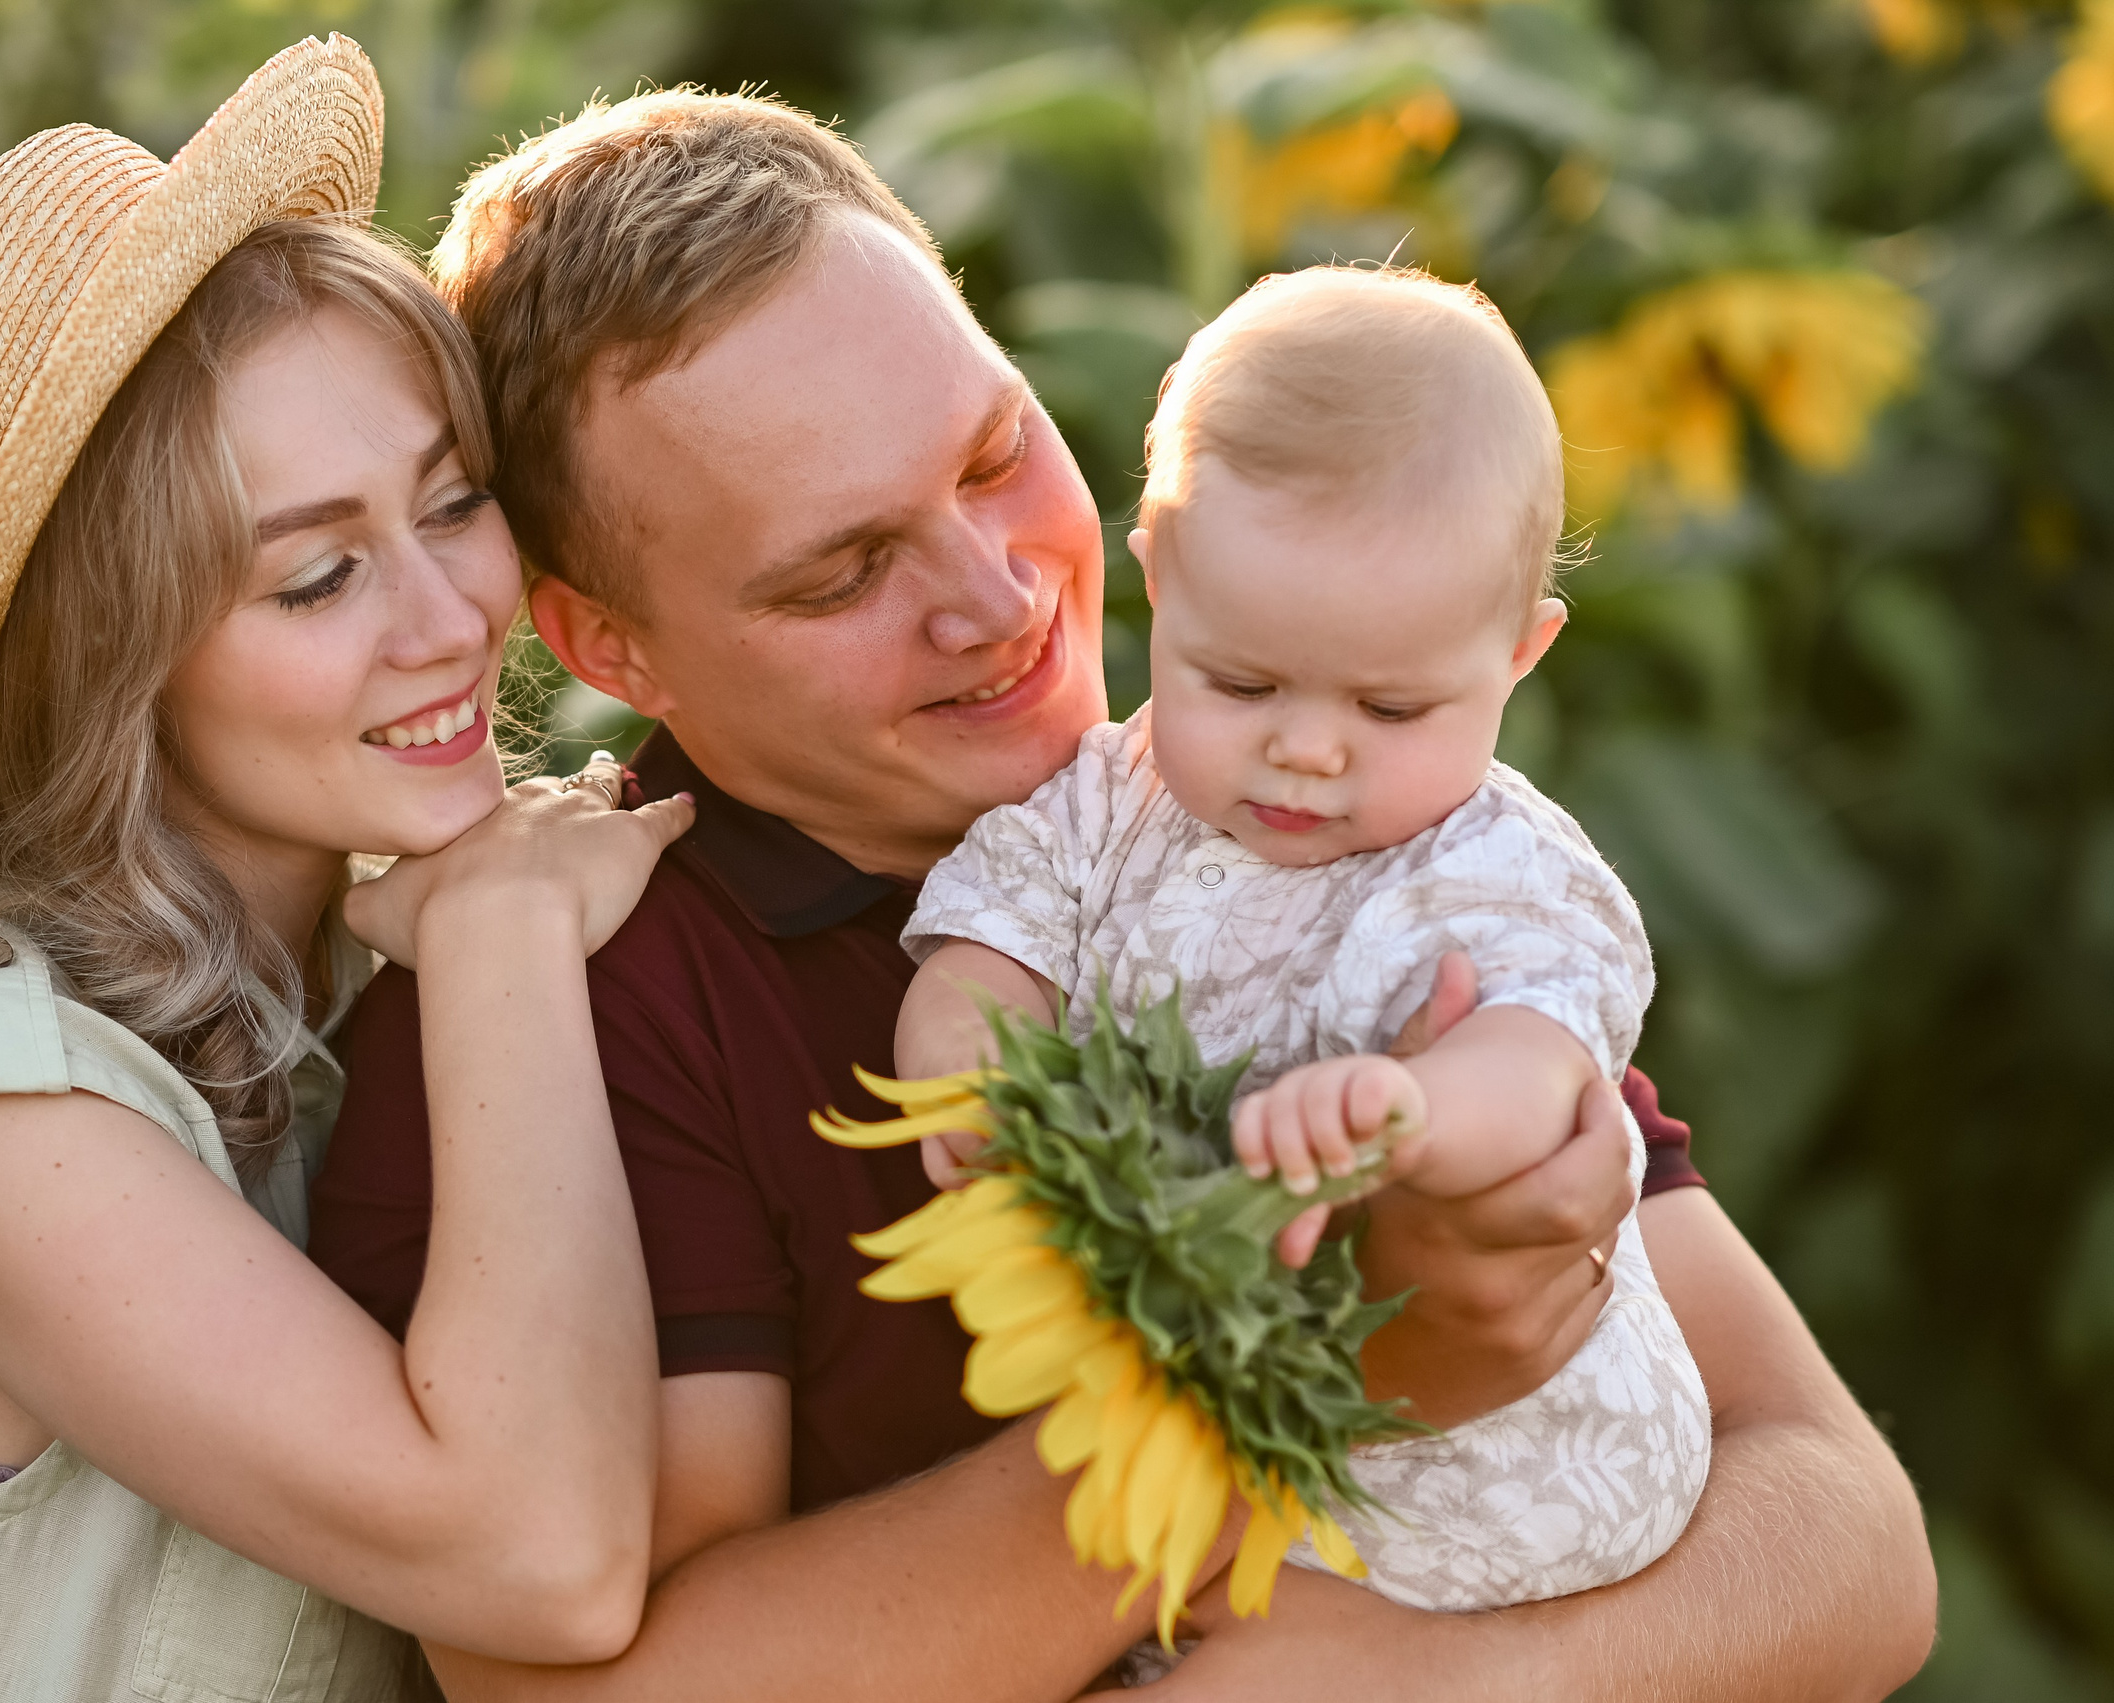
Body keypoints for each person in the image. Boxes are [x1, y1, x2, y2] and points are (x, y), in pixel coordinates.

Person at [310, 89, 1935, 1700]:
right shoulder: (571, 1017)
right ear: (609, 646)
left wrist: (1447, 1690)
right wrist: (1295, 1382)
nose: (997, 594)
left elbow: (1852, 1539)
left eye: (996, 453)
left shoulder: (1314, 811)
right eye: (843, 572)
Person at [0, 39, 694, 1700]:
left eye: (451, 504)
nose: (454, 619)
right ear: (113, 661)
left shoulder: (357, 953)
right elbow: (544, 1557)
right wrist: (510, 945)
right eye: (317, 579)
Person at [897, 263, 1707, 1620]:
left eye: (1393, 708)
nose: (1309, 749)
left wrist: (1406, 1110)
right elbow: (989, 937)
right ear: (1158, 574)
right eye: (1241, 681)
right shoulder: (1109, 796)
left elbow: (1540, 1065)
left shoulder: (1500, 865)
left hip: (1511, 1478)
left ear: (1521, 652)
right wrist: (983, 1068)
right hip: (1250, 1473)